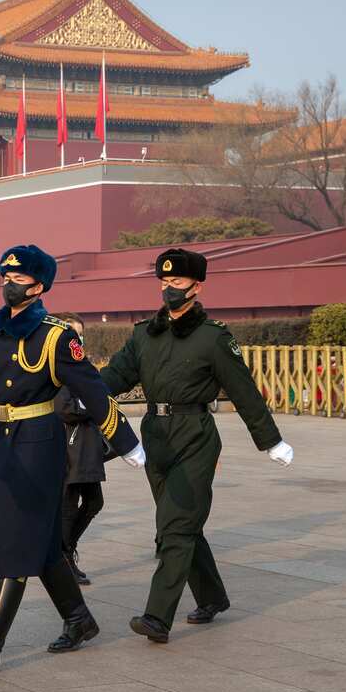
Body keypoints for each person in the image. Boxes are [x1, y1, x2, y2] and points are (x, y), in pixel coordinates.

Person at [0, 245, 143, 675]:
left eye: (18, 279)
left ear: (39, 286)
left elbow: (93, 390)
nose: (9, 284)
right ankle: (79, 619)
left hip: (38, 444)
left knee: (18, 539)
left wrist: (126, 441)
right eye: (5, 276)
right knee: (40, 543)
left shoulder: (54, 335)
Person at [99, 247, 295, 645]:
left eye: (178, 283)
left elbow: (244, 392)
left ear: (197, 286)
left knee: (174, 527)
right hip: (155, 433)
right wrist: (81, 392)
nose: (169, 289)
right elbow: (116, 376)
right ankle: (212, 597)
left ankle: (157, 617)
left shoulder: (213, 338)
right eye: (165, 282)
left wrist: (270, 441)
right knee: (182, 525)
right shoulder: (144, 334)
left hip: (195, 435)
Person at [52, 313, 113, 586]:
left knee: (94, 502)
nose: (78, 339)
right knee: (67, 506)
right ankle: (62, 559)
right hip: (69, 446)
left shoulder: (82, 366)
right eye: (72, 333)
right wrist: (94, 405)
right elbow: (63, 407)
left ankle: (65, 551)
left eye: (80, 334)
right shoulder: (58, 367)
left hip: (86, 446)